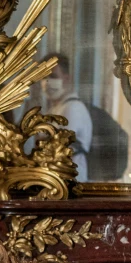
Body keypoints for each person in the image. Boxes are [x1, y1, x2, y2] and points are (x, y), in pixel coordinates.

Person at [42, 53, 93, 182]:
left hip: (70, 179)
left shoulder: (73, 108)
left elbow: (62, 149)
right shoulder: (55, 108)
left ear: (67, 78)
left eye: (53, 76)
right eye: (43, 77)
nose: (47, 82)